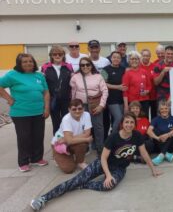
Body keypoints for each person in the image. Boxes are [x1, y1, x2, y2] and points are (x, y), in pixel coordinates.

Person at [30, 113, 162, 211]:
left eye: (131, 122)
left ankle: (84, 185)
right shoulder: (113, 137)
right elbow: (103, 158)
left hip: (120, 169)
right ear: (122, 123)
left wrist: (153, 169)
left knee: (108, 186)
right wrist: (107, 174)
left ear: (135, 124)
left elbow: (144, 153)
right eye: (126, 122)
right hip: (102, 164)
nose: (129, 125)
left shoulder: (137, 136)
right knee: (74, 181)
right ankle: (43, 199)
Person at [0, 53, 50, 172]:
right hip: (21, 113)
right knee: (24, 138)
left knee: (38, 136)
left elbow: (46, 92)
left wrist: (46, 108)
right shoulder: (13, 75)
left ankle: (37, 158)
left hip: (38, 111)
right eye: (25, 61)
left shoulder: (39, 76)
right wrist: (9, 98)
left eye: (30, 61)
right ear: (19, 64)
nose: (28, 63)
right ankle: (23, 162)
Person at [70, 57, 108, 156]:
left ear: (91, 65)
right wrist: (72, 107)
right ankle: (84, 148)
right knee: (82, 128)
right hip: (81, 107)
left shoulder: (98, 76)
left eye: (87, 64)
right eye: (82, 65)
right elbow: (73, 92)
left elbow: (105, 91)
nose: (85, 67)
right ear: (80, 66)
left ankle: (100, 148)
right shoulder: (75, 77)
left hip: (95, 105)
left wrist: (101, 105)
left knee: (98, 127)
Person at [51, 99, 93, 173]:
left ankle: (80, 161)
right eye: (74, 109)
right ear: (69, 110)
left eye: (80, 108)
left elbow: (87, 134)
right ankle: (57, 155)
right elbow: (70, 141)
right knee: (69, 169)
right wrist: (85, 139)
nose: (77, 111)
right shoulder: (66, 119)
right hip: (60, 144)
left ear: (83, 108)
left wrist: (67, 138)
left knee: (82, 144)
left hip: (70, 141)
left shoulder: (86, 115)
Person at [41, 45, 73, 135]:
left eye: (60, 54)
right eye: (55, 54)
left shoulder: (68, 66)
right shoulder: (45, 67)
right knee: (56, 122)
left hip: (66, 99)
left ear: (63, 55)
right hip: (52, 99)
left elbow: (73, 82)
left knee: (66, 121)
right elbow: (43, 84)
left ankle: (67, 142)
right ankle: (57, 144)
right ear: (51, 55)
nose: (57, 56)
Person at [101, 51, 126, 135]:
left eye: (118, 57)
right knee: (119, 118)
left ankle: (121, 136)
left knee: (121, 119)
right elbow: (103, 84)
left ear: (120, 59)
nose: (116, 59)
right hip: (111, 99)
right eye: (114, 57)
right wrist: (118, 87)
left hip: (122, 98)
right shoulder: (105, 69)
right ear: (111, 58)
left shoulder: (123, 69)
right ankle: (113, 136)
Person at [147, 100, 173, 165]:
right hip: (159, 143)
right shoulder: (155, 119)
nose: (164, 110)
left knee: (170, 131)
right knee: (155, 130)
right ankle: (165, 154)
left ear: (169, 109)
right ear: (159, 110)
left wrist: (167, 135)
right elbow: (149, 131)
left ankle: (161, 155)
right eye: (162, 109)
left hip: (172, 146)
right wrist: (158, 138)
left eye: (166, 108)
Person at [123, 51, 152, 117]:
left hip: (144, 100)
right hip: (133, 102)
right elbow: (125, 91)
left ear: (139, 60)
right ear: (129, 61)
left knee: (144, 119)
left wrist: (146, 91)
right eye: (132, 59)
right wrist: (126, 106)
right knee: (133, 120)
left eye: (136, 59)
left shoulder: (144, 71)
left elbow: (149, 86)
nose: (134, 61)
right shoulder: (127, 74)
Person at [140, 48, 157, 119]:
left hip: (154, 95)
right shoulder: (138, 67)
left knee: (154, 115)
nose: (146, 57)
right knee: (144, 115)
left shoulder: (154, 66)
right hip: (143, 96)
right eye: (144, 55)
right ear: (141, 56)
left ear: (150, 56)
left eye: (147, 56)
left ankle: (153, 129)